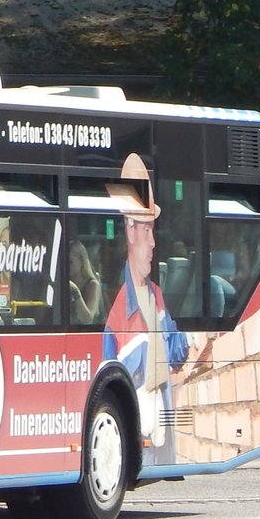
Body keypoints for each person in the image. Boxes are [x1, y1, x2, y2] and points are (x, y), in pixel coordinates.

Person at [102, 154, 190, 464]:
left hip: (162, 433)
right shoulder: (115, 312)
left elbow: (175, 353)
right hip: (138, 432)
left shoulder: (157, 295)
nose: (153, 242)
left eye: (153, 231)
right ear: (129, 230)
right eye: (146, 230)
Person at [68, 240, 102, 324]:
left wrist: (75, 291)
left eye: (70, 262)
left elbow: (87, 319)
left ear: (82, 261)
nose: (67, 266)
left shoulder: (92, 285)